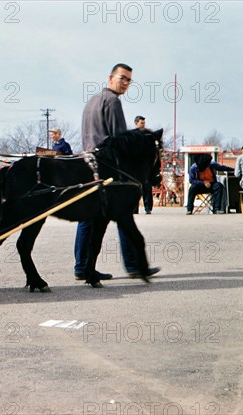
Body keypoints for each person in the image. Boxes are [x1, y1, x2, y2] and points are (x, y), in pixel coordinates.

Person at [75, 63, 138, 282]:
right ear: (111, 77)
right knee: (123, 213)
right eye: (123, 78)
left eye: (129, 80)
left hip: (87, 162)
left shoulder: (93, 100)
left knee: (87, 218)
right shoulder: (112, 101)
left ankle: (81, 266)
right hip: (106, 165)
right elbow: (119, 138)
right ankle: (134, 264)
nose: (125, 83)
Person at [134, 115, 153, 214]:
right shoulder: (132, 134)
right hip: (135, 165)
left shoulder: (148, 134)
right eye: (141, 123)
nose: (143, 125)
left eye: (144, 123)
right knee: (134, 187)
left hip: (145, 164)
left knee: (147, 186)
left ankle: (148, 207)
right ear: (136, 123)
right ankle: (134, 208)